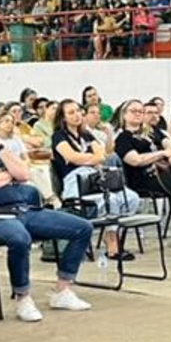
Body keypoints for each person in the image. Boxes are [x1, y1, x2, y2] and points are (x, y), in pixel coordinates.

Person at [0, 105, 93, 323]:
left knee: (82, 228)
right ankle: (23, 297)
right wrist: (9, 175)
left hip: (22, 210)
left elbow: (24, 173)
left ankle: (62, 290)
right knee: (19, 238)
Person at [114, 99, 171, 249]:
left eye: (141, 111)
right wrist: (162, 154)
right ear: (124, 115)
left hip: (166, 169)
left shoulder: (152, 132)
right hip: (143, 176)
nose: (138, 114)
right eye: (134, 111)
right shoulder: (123, 138)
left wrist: (170, 155)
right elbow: (136, 160)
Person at [51, 99, 138, 261]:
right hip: (75, 182)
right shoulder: (58, 137)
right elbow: (71, 157)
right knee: (110, 200)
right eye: (71, 112)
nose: (77, 115)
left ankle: (111, 233)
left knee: (131, 197)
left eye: (78, 111)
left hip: (95, 178)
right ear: (63, 118)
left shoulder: (86, 134)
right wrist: (91, 158)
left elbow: (102, 155)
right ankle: (113, 245)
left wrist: (88, 158)